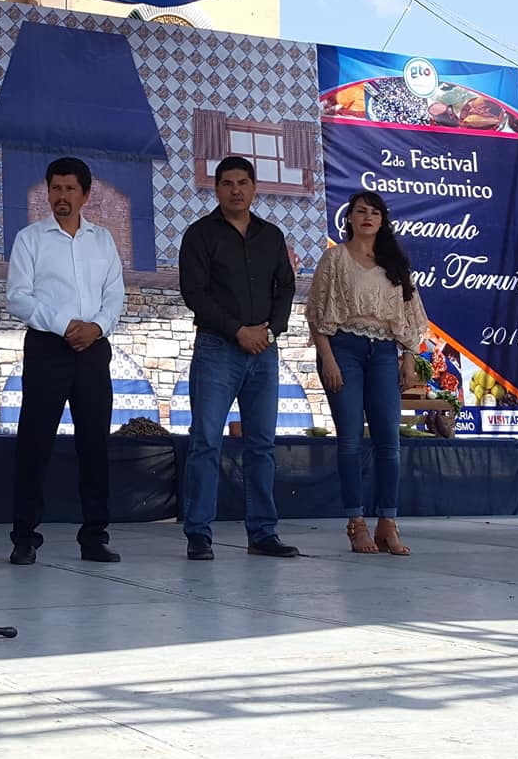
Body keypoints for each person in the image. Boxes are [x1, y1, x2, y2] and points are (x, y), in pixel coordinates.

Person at [177, 156, 300, 561]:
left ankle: (263, 533)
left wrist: (271, 331)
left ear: (253, 187)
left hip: (264, 351)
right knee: (206, 442)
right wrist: (238, 331)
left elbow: (286, 286)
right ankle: (199, 534)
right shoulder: (200, 235)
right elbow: (194, 293)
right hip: (217, 349)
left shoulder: (271, 235)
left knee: (262, 445)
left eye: (242, 182)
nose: (235, 190)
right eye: (227, 183)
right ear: (216, 189)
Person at [4, 157, 125, 565]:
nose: (62, 196)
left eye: (70, 189)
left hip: (93, 349)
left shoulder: (102, 240)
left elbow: (115, 295)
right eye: (55, 188)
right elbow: (18, 297)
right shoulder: (30, 239)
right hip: (47, 348)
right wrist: (64, 325)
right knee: (34, 442)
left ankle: (94, 536)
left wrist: (96, 327)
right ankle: (25, 537)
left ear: (85, 195)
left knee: (94, 444)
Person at [306, 191, 426, 556]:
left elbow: (410, 316)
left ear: (383, 220)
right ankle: (356, 522)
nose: (367, 217)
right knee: (351, 439)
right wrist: (328, 358)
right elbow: (316, 312)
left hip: (385, 352)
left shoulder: (395, 263)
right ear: (350, 218)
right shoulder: (335, 258)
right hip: (344, 348)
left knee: (389, 440)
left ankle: (388, 523)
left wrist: (408, 359)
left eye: (375, 212)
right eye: (361, 211)